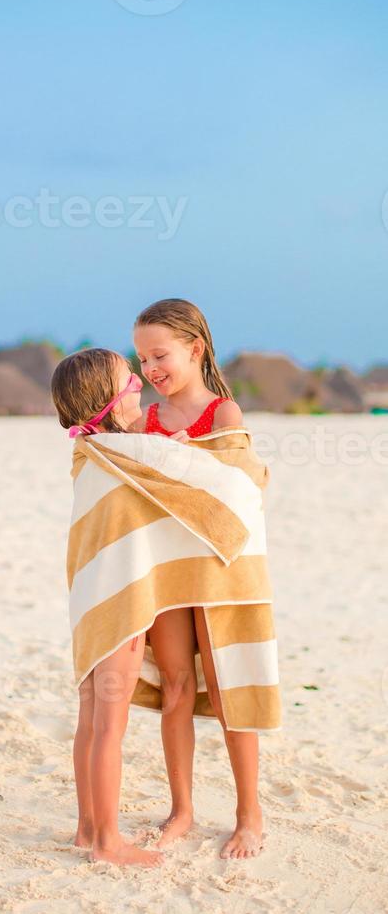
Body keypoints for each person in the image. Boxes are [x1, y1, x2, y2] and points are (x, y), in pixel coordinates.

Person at [131, 298, 264, 859]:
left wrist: (192, 463)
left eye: (160, 355)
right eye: (141, 359)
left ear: (195, 349)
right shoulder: (148, 421)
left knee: (230, 684)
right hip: (167, 572)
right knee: (177, 687)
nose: (150, 369)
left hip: (214, 572)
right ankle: (182, 809)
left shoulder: (225, 415)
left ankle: (249, 814)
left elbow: (241, 493)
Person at [51, 348, 164, 867]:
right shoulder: (123, 456)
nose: (141, 380)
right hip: (118, 607)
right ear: (108, 401)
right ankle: (107, 843)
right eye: (129, 379)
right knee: (110, 729)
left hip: (92, 604)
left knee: (91, 722)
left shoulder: (94, 454)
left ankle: (86, 828)